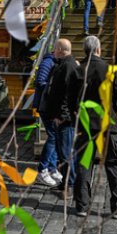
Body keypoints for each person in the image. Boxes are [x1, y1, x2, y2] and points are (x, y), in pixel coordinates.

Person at [72, 36, 117, 219]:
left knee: (84, 164)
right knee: (114, 164)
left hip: (85, 123)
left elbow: (70, 98)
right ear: (98, 49)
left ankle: (82, 205)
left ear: (85, 50)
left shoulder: (78, 70)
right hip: (108, 123)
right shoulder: (109, 70)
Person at [39, 38, 76, 192]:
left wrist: (61, 115)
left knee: (64, 150)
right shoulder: (59, 64)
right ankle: (58, 174)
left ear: (60, 49)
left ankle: (68, 183)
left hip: (62, 117)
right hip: (55, 113)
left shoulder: (67, 66)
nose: (53, 51)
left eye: (55, 48)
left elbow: (67, 94)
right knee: (60, 147)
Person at [33, 45, 60, 187]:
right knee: (53, 136)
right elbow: (41, 81)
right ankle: (43, 169)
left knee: (54, 136)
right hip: (45, 105)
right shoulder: (47, 62)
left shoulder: (54, 62)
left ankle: (52, 168)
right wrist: (54, 91)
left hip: (49, 105)